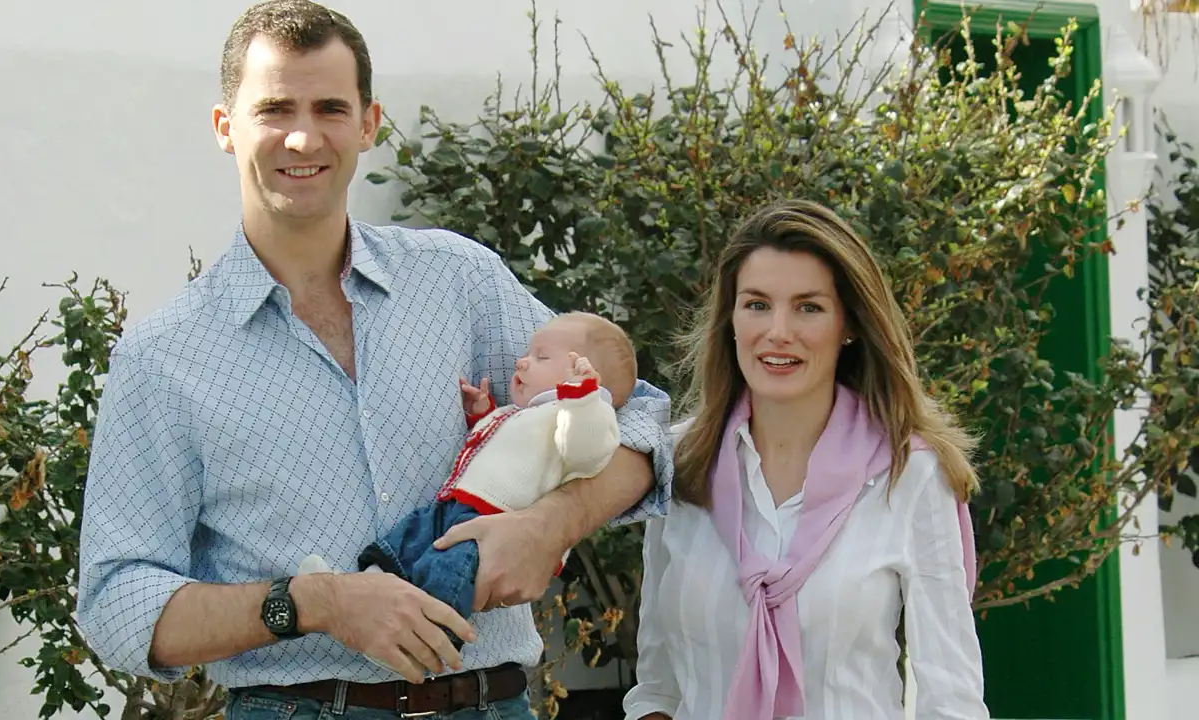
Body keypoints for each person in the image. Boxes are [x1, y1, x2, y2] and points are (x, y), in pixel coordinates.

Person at [73, 2, 673, 719]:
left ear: (368, 122)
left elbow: (642, 418)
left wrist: (553, 524)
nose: (303, 135)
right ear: (225, 128)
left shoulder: (460, 282)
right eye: (274, 108)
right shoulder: (162, 358)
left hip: (492, 703)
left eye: (330, 107)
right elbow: (115, 605)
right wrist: (314, 603)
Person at [622, 199, 988, 720]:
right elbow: (658, 689)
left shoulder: (911, 474)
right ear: (730, 317)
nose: (778, 331)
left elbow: (949, 701)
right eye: (757, 304)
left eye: (808, 307)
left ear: (850, 324)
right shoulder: (679, 463)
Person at [300, 312, 637, 647]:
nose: (521, 362)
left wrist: (583, 399)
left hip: (492, 525)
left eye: (541, 356)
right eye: (527, 352)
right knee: (405, 545)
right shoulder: (525, 415)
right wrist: (482, 412)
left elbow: (586, 452)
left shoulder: (583, 416)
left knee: (448, 572)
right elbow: (504, 446)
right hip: (455, 506)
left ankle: (422, 638)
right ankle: (354, 595)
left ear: (587, 375)